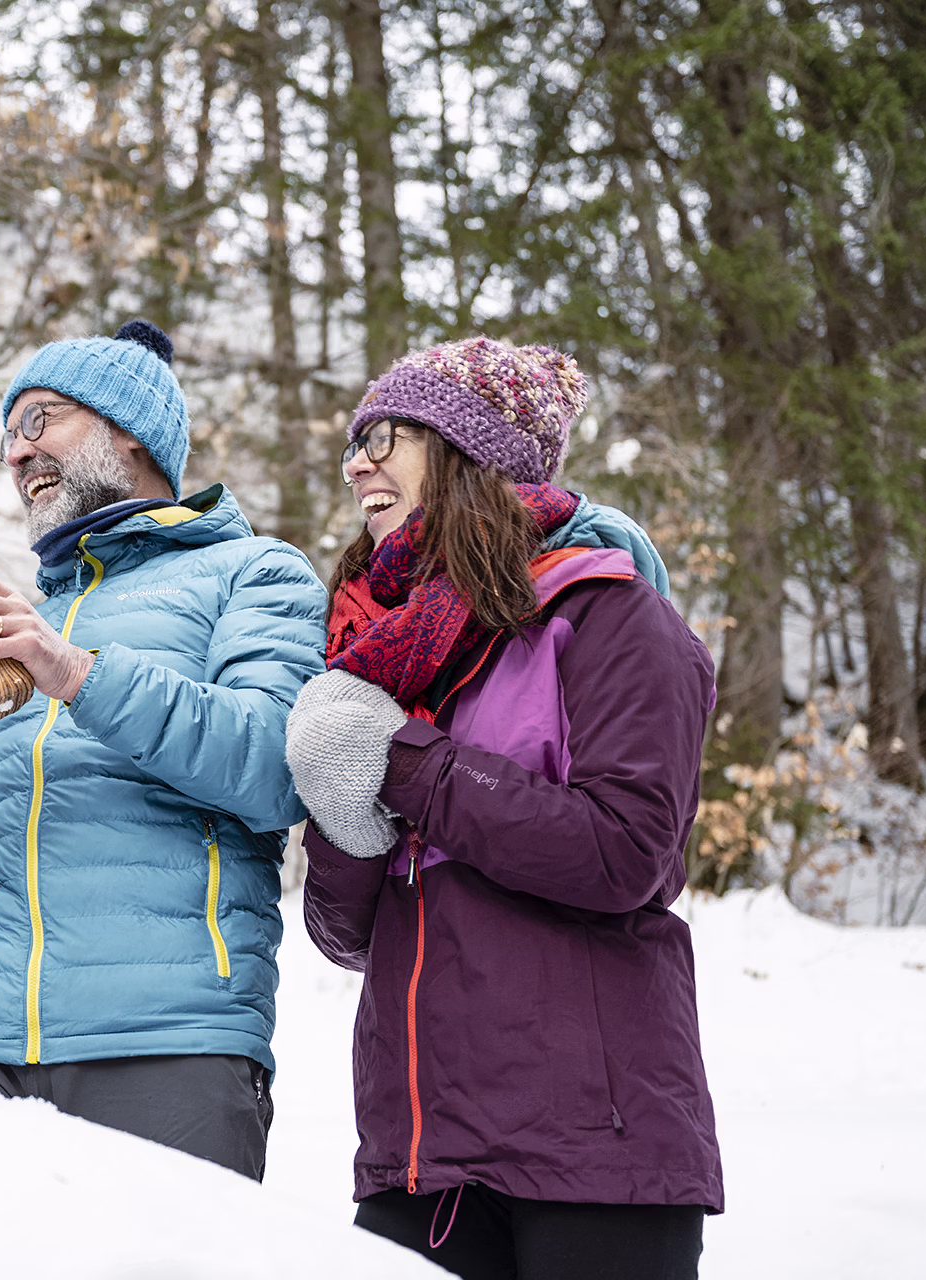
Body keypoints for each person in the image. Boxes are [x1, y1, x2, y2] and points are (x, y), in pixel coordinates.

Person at [284, 337, 722, 1278]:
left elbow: (626, 853)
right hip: (419, 1162)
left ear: (469, 451)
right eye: (354, 441)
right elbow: (351, 939)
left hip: (592, 1163)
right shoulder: (386, 649)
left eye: (386, 435)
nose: (357, 461)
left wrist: (410, 765)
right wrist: (344, 813)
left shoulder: (610, 615)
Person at [0, 320, 327, 1180]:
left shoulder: (254, 573)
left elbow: (275, 771)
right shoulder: (10, 621)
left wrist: (76, 673)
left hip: (169, 1051)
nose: (17, 454)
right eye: (8, 436)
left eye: (40, 421)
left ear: (131, 431)